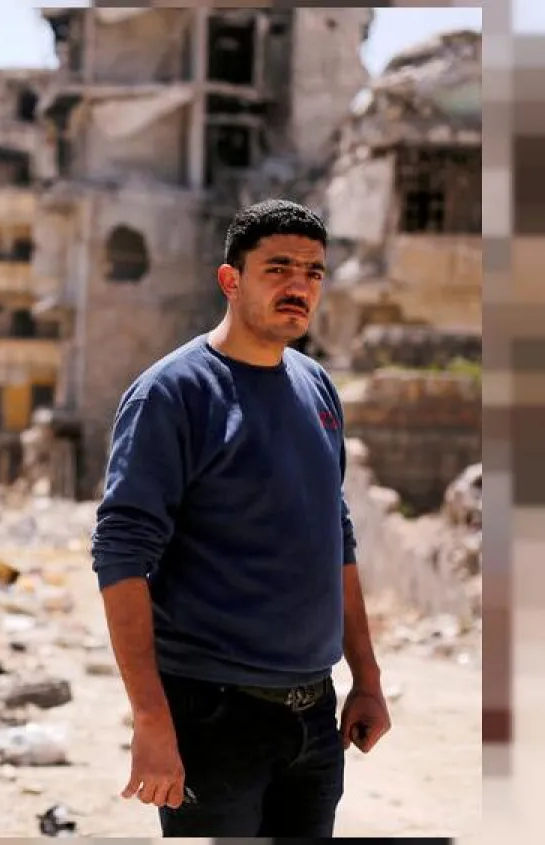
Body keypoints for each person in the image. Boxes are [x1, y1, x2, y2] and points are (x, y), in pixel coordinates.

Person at [91, 199, 391, 837]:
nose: (298, 286)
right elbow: (121, 554)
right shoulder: (172, 394)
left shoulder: (317, 386)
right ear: (231, 280)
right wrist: (151, 720)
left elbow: (333, 536)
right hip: (212, 719)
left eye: (312, 272)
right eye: (278, 268)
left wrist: (366, 676)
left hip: (313, 718)